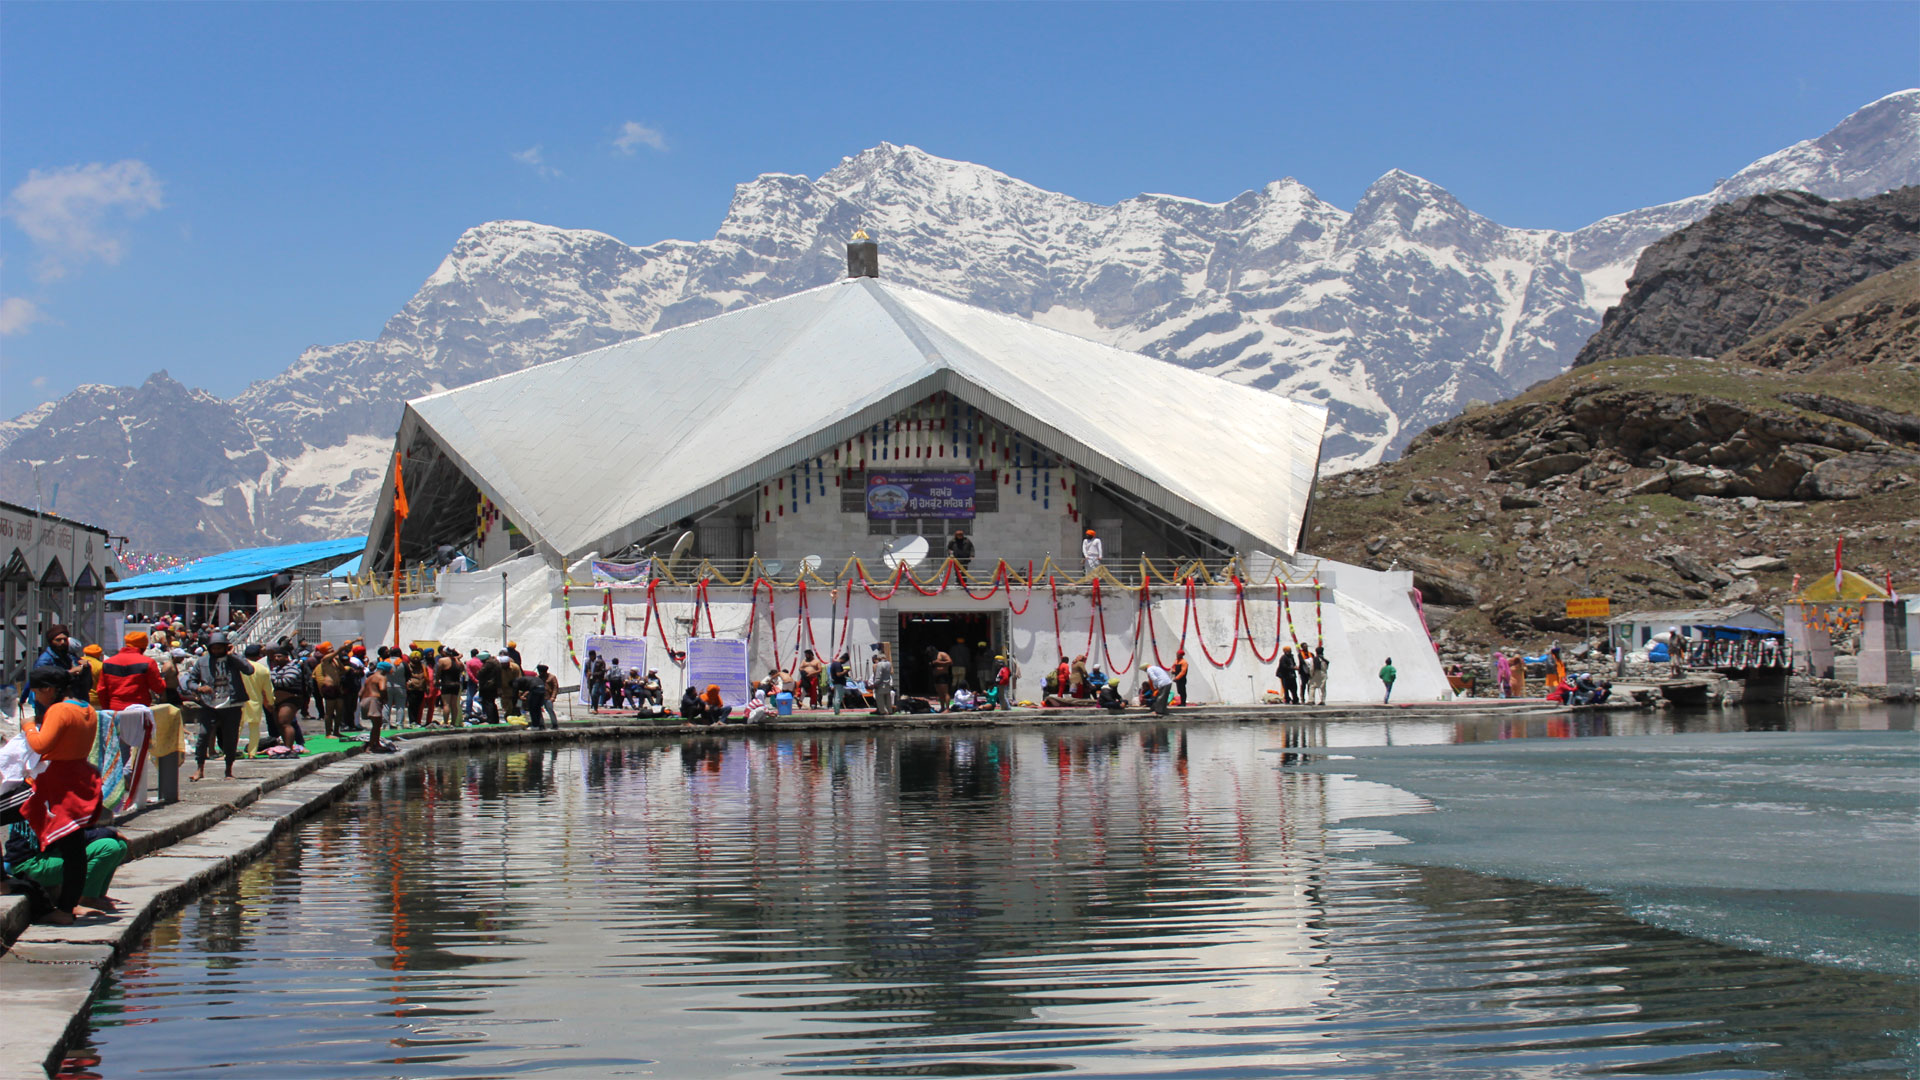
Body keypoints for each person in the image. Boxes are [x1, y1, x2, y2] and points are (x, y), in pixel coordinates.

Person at [17, 666, 103, 924]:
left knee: (71, 849)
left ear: (48, 689)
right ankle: (66, 907)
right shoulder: (86, 709)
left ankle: (4, 882)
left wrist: (28, 727)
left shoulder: (59, 710)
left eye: (36, 692)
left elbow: (41, 745)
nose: (36, 697)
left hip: (56, 784)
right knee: (74, 849)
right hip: (79, 779)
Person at [183, 633, 254, 782]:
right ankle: (199, 768)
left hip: (232, 704)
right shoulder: (202, 661)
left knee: (230, 738)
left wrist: (232, 655)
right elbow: (190, 681)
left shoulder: (234, 659)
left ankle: (228, 770)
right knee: (203, 735)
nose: (216, 651)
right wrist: (199, 688)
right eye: (213, 648)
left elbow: (249, 670)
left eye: (219, 648)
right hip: (210, 704)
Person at [100, 631, 165, 710]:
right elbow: (158, 688)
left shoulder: (107, 663)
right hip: (139, 710)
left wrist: (107, 709)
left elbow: (101, 690)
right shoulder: (148, 662)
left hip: (115, 709)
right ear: (144, 647)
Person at [267, 645, 307, 753]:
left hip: (291, 698)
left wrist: (273, 680)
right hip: (278, 698)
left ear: (286, 657)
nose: (276, 659)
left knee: (284, 722)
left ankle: (289, 748)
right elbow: (270, 680)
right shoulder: (275, 669)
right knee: (279, 724)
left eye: (279, 656)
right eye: (275, 657)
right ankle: (286, 746)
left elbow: (287, 682)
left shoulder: (293, 668)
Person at [436, 648, 462, 726]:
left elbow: (438, 672)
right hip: (456, 684)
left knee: (446, 704)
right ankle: (453, 722)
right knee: (454, 705)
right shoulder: (458, 662)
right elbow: (462, 670)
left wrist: (436, 681)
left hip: (446, 683)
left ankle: (445, 722)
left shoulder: (442, 660)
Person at [477, 653, 502, 724]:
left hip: (487, 686)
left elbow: (480, 673)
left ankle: (490, 719)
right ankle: (495, 719)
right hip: (494, 685)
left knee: (488, 703)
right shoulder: (496, 662)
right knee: (492, 703)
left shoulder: (489, 664)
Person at [870, 645, 894, 717]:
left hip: (881, 685)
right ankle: (890, 710)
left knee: (880, 699)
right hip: (887, 683)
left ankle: (882, 711)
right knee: (888, 699)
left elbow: (878, 676)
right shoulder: (889, 664)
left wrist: (875, 684)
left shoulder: (879, 665)